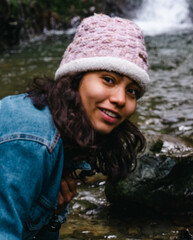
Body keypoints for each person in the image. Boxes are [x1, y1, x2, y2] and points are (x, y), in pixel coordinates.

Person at [0, 13, 150, 239]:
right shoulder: (32, 141)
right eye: (108, 79)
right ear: (75, 78)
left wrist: (54, 213)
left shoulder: (68, 138)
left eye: (132, 91)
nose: (121, 99)